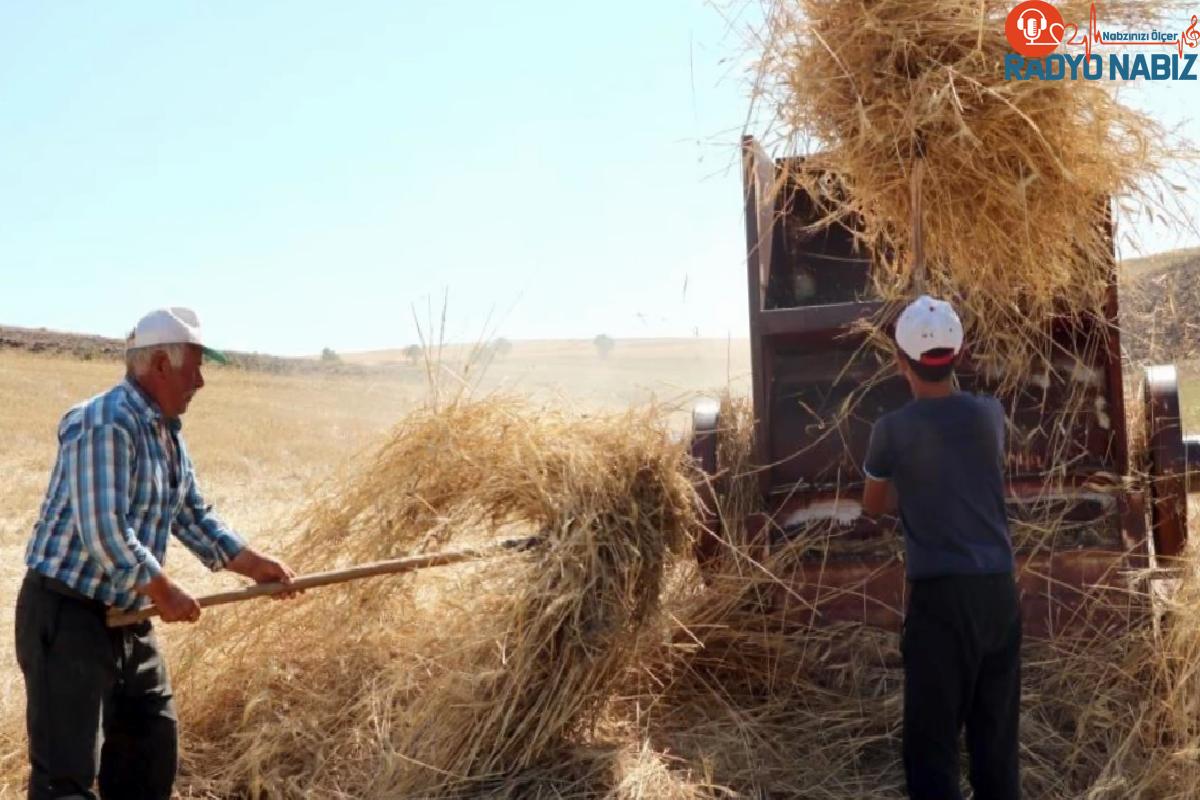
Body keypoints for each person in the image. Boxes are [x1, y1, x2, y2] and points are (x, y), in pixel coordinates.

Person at [16, 306, 298, 800]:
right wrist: (164, 590)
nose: (202, 381)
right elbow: (103, 530)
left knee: (150, 753)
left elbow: (191, 515)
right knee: (66, 780)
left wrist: (254, 566)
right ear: (161, 366)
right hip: (69, 617)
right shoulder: (105, 423)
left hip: (128, 617)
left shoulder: (166, 434)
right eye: (195, 366)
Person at [861, 295, 1021, 800]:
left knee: (932, 752)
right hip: (999, 596)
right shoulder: (989, 416)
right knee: (995, 745)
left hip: (940, 603)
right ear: (962, 351)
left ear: (899, 362)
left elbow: (874, 506)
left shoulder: (890, 432)